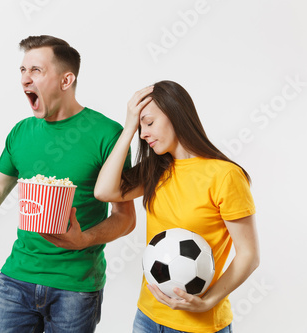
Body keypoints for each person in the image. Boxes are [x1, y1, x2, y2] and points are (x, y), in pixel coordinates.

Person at [0, 35, 136, 332]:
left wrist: (83, 239)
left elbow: (125, 217)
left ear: (66, 80)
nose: (25, 79)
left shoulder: (108, 135)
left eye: (36, 70)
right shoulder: (21, 132)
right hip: (17, 280)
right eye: (22, 70)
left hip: (76, 287)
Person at [94, 81, 260, 333]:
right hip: (147, 318)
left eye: (149, 123)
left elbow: (249, 255)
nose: (143, 134)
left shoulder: (225, 175)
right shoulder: (155, 171)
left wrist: (207, 302)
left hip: (199, 325)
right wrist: (128, 127)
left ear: (176, 114)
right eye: (140, 127)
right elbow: (104, 191)